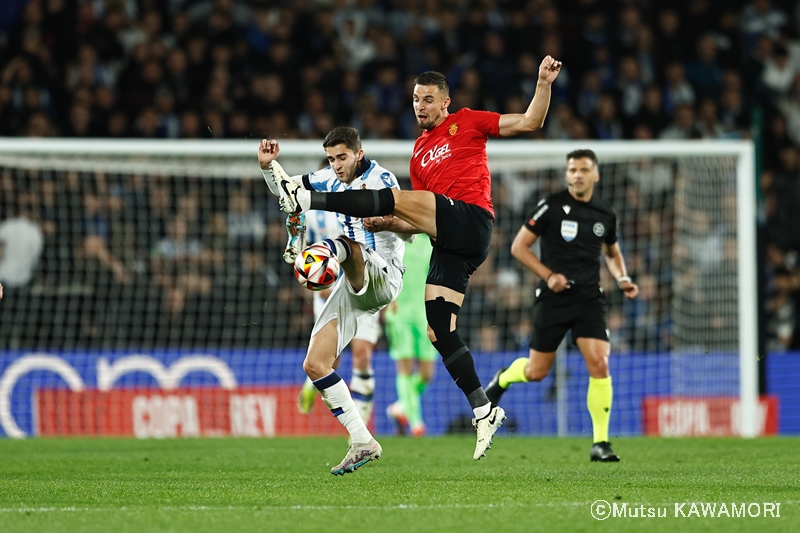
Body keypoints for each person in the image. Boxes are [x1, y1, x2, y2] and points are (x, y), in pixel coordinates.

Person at [269, 56, 562, 461]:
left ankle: (309, 198)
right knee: (438, 330)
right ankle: (483, 409)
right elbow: (418, 222)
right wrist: (387, 225)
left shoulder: (469, 121)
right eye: (414, 100)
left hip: (472, 218)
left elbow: (530, 121)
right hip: (449, 242)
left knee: (397, 199)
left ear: (445, 103)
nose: (420, 106)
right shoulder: (419, 154)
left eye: (427, 99)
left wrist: (543, 83)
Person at [258, 126, 407, 475]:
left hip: (384, 274)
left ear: (358, 152)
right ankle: (362, 441)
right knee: (315, 365)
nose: (337, 165)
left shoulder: (382, 178)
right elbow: (290, 194)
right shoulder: (328, 178)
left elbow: (411, 220)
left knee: (344, 243)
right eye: (331, 159)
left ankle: (322, 255)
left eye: (342, 157)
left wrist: (386, 220)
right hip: (352, 280)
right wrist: (268, 167)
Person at [484, 149, 639, 462]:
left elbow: (611, 251)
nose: (577, 175)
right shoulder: (551, 206)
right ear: (567, 174)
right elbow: (518, 247)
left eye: (583, 170)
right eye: (572, 170)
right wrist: (548, 275)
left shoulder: (605, 214)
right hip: (553, 298)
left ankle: (601, 443)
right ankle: (503, 378)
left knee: (600, 363)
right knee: (537, 371)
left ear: (595, 175)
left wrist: (622, 277)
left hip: (589, 299)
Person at [295, 209, 381, 426]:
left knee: (362, 353)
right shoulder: (313, 214)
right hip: (327, 290)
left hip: (364, 286)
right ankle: (310, 384)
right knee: (331, 358)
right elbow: (305, 253)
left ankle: (360, 427)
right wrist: (315, 284)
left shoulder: (358, 203)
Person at [384, 233, 436, 437]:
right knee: (404, 367)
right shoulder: (393, 240)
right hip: (399, 313)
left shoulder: (430, 243)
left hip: (424, 314)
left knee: (426, 374)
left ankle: (400, 407)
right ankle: (416, 423)